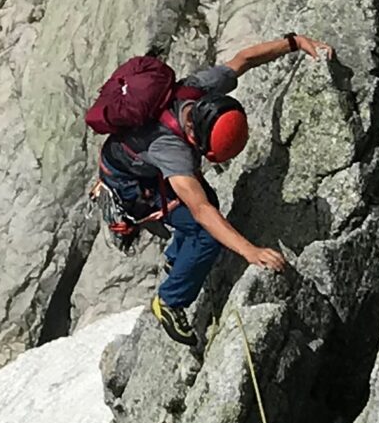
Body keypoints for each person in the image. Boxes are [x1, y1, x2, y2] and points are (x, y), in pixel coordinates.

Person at [97, 32, 335, 349]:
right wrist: (250, 251)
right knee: (205, 232)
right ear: (196, 135)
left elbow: (245, 59)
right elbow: (202, 212)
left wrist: (296, 42)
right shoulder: (172, 150)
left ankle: (177, 258)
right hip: (130, 182)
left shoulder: (201, 89)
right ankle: (170, 302)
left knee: (207, 201)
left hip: (135, 160)